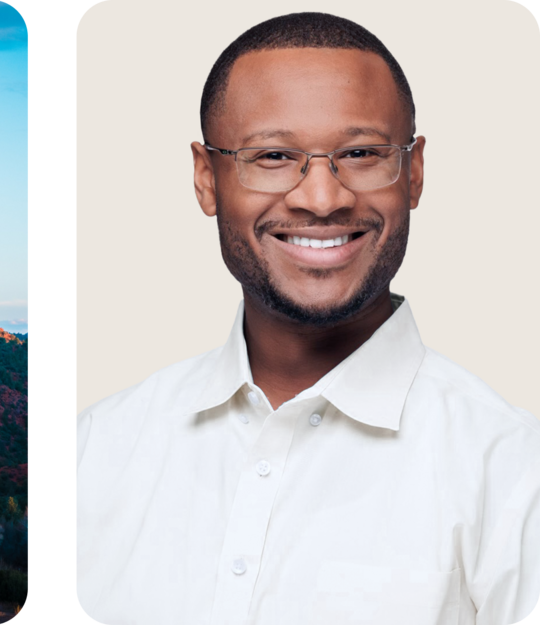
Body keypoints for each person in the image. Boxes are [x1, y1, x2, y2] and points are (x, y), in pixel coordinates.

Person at [75, 12, 539, 625]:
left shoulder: (514, 473)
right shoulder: (96, 449)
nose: (322, 199)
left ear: (415, 173)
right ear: (206, 179)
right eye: (272, 155)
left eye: (362, 153)